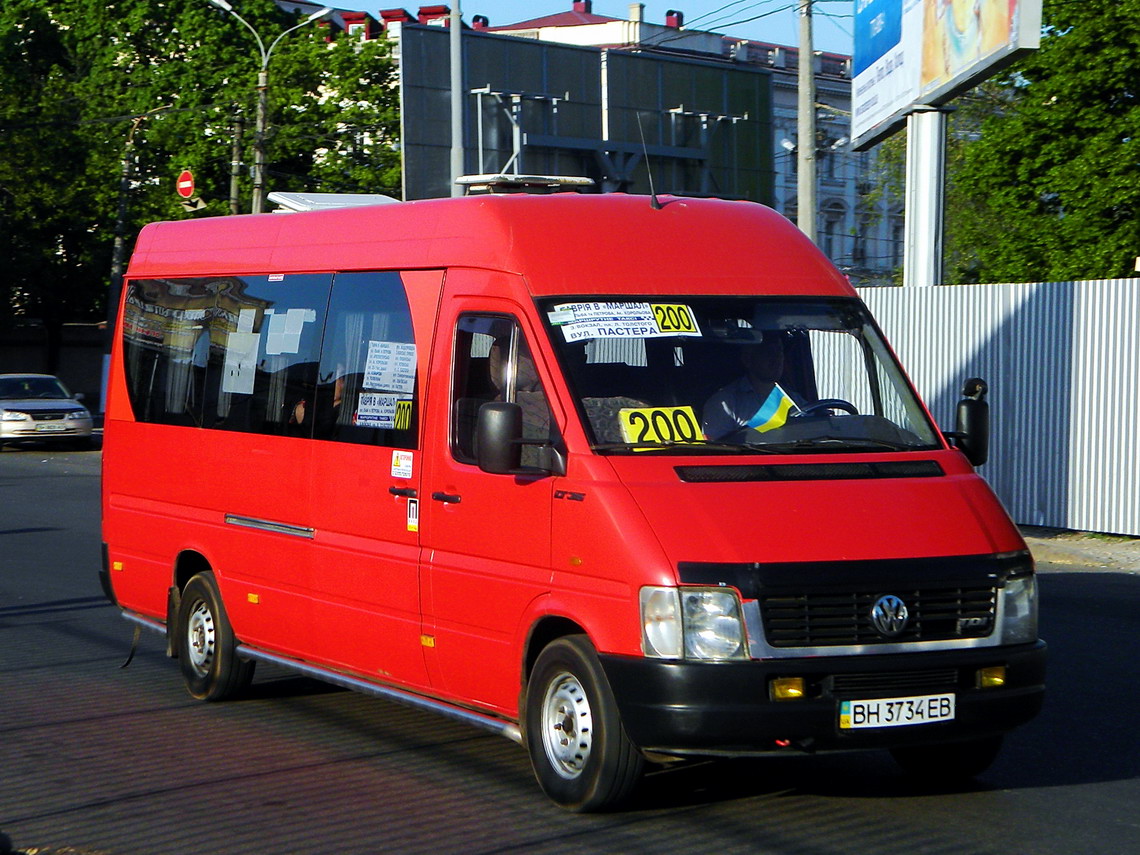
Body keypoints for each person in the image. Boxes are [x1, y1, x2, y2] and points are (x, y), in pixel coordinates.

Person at [702, 334, 800, 440]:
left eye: (780, 351)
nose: (777, 358)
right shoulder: (725, 403)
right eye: (768, 352)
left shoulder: (794, 400)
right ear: (747, 359)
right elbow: (716, 451)